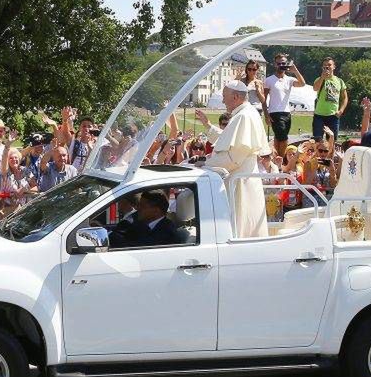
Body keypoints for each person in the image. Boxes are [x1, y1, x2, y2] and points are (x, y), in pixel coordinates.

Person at [196, 80, 271, 238]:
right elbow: (228, 139)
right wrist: (208, 126)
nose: (223, 100)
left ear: (236, 97)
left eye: (224, 96)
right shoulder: (246, 113)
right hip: (244, 178)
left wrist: (205, 165)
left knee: (240, 228)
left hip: (241, 182)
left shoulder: (243, 116)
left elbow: (233, 158)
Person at [260, 54, 306, 157]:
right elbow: (264, 99)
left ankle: (276, 159)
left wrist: (295, 71)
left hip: (287, 113)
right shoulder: (269, 80)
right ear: (275, 65)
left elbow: (302, 83)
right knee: (284, 139)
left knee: (278, 138)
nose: (281, 65)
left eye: (283, 63)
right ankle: (282, 159)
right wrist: (266, 115)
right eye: (279, 63)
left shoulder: (289, 79)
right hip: (275, 113)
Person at [110, 190, 183, 248]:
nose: (137, 208)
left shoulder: (167, 231)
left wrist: (113, 237)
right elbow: (125, 233)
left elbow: (137, 246)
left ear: (156, 211)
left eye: (142, 206)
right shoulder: (143, 223)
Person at [312, 57, 348, 139]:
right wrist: (322, 77)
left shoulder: (339, 81)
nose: (327, 67)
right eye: (325, 65)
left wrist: (341, 110)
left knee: (332, 141)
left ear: (334, 67)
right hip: (319, 115)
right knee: (317, 141)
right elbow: (315, 88)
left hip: (333, 115)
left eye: (329, 65)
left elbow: (345, 97)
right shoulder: (319, 79)